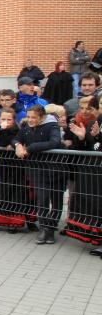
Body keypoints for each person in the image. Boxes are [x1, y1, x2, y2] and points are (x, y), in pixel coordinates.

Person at [12, 105, 63, 244]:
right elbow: (16, 138)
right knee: (42, 199)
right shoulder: (26, 128)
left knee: (56, 200)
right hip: (36, 169)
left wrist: (31, 148)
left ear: (42, 117)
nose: (30, 120)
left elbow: (55, 142)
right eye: (28, 117)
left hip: (55, 169)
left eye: (34, 117)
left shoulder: (52, 126)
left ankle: (51, 229)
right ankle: (44, 228)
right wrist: (18, 145)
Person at [63, 97, 102, 247]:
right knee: (93, 205)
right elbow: (89, 147)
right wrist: (82, 137)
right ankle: (96, 239)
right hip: (92, 170)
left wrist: (98, 136)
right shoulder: (94, 122)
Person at [0, 108, 26, 231]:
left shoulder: (17, 130)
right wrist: (2, 133)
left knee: (14, 193)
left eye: (9, 119)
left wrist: (7, 140)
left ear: (14, 120)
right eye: (3, 119)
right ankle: (0, 220)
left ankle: (14, 222)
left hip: (14, 165)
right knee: (0, 191)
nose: (6, 121)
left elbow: (11, 141)